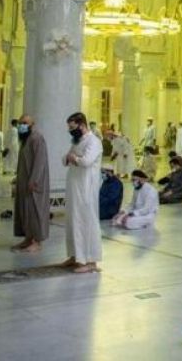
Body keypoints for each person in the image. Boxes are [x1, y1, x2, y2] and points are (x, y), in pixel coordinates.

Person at [62, 111, 103, 273]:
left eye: (73, 127)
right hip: (74, 187)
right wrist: (71, 157)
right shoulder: (77, 141)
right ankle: (75, 256)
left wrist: (74, 158)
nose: (71, 131)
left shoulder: (94, 141)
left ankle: (90, 260)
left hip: (86, 189)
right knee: (73, 221)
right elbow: (65, 158)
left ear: (82, 125)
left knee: (87, 222)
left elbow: (86, 161)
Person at [12, 114, 49, 252]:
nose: (22, 125)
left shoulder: (36, 138)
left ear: (32, 124)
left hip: (34, 183)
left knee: (34, 211)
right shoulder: (25, 139)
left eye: (25, 123)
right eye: (21, 123)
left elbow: (40, 162)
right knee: (24, 210)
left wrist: (34, 180)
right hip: (24, 182)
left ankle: (36, 241)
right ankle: (28, 238)